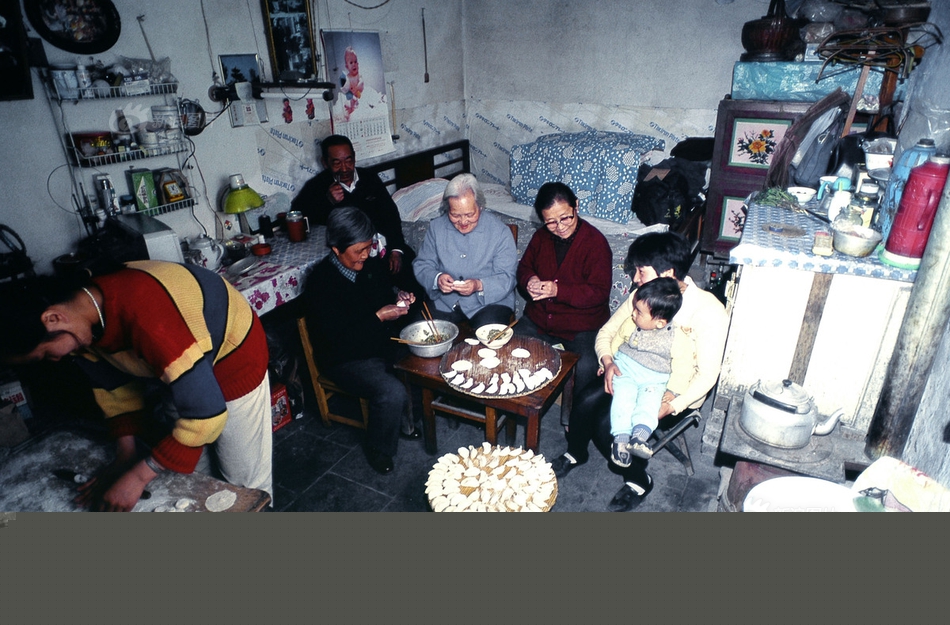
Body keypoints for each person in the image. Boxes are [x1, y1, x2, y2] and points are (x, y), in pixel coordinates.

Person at [0, 261, 273, 511]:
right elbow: (115, 389)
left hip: (233, 358)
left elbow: (206, 416)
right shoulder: (82, 324)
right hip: (180, 369)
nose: (55, 359)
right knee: (193, 481)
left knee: (243, 481)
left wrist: (138, 476)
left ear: (53, 319)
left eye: (46, 354)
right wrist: (125, 457)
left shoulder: (145, 312)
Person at [550, 231, 729, 512]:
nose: (635, 279)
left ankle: (639, 481)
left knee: (605, 424)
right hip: (629, 370)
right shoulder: (643, 295)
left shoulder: (708, 311)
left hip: (669, 391)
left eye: (641, 271)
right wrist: (607, 361)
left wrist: (671, 405)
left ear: (667, 273)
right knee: (585, 400)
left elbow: (707, 376)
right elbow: (607, 332)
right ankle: (576, 453)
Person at [303, 207, 420, 475]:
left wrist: (398, 297)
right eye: (359, 250)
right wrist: (379, 317)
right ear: (336, 249)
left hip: (375, 342)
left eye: (368, 247)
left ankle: (405, 424)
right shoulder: (321, 283)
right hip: (344, 358)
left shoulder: (368, 265)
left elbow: (382, 292)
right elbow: (338, 342)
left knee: (417, 360)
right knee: (390, 391)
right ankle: (379, 449)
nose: (366, 255)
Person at [290, 134, 421, 295]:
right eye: (337, 163)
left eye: (349, 160)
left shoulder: (369, 178)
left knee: (413, 278)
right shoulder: (318, 186)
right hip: (353, 256)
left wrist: (396, 250)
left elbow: (391, 216)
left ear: (354, 157)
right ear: (325, 162)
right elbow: (297, 216)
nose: (344, 168)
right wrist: (327, 201)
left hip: (384, 248)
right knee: (371, 291)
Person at [515, 182, 612, 396]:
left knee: (586, 368)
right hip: (539, 320)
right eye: (550, 222)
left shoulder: (596, 243)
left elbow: (599, 292)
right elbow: (524, 267)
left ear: (576, 206)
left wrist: (558, 291)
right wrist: (529, 280)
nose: (560, 227)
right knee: (509, 350)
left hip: (581, 326)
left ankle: (576, 416)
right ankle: (518, 404)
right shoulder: (541, 237)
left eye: (565, 217)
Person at [413, 173, 517, 328]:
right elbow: (422, 264)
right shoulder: (436, 228)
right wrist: (437, 278)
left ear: (480, 206)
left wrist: (478, 285)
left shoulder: (500, 232)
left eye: (469, 215)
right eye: (455, 215)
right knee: (421, 332)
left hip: (490, 303)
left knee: (487, 336)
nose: (463, 222)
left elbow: (507, 276)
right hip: (445, 302)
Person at [606, 277, 682, 467]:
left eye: (639, 312)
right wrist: (608, 364)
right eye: (635, 308)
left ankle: (639, 438)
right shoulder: (631, 324)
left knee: (650, 403)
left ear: (660, 323)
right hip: (626, 370)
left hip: (654, 379)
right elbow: (616, 340)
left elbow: (684, 365)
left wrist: (674, 390)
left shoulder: (677, 337)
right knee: (623, 398)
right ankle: (621, 439)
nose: (633, 314)